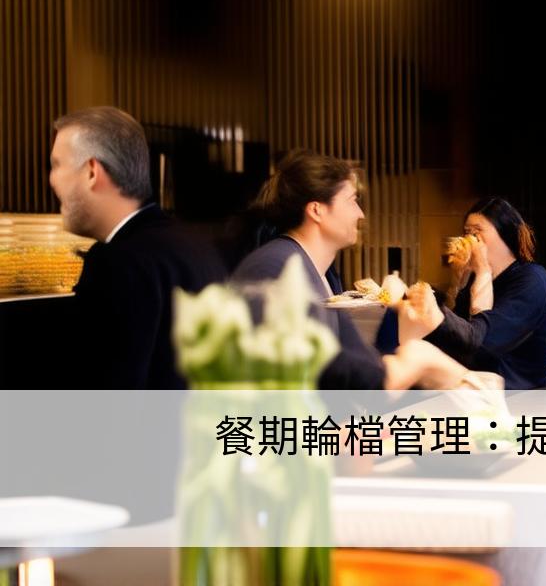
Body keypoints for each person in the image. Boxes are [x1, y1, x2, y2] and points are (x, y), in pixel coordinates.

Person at [232, 149, 481, 391]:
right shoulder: (277, 269)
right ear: (317, 210)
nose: (360, 214)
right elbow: (341, 379)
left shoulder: (321, 273)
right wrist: (417, 360)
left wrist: (403, 327)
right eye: (352, 200)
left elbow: (357, 363)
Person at [49, 106, 227, 389]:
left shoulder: (116, 263)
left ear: (92, 172)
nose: (52, 179)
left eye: (57, 165)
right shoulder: (198, 245)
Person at [376, 197, 546, 389]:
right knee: (398, 313)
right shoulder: (475, 278)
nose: (469, 239)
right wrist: (458, 283)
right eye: (467, 232)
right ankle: (374, 378)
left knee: (415, 352)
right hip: (472, 371)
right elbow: (457, 337)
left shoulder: (532, 279)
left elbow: (481, 344)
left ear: (506, 232)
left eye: (477, 231)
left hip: (508, 383)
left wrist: (483, 271)